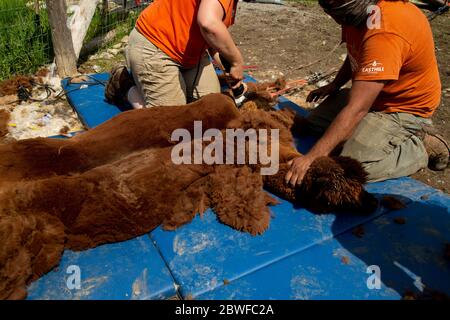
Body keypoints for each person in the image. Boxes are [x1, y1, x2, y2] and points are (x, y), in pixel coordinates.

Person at [286, 0, 449, 186]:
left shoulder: (385, 31)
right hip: (375, 94)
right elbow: (359, 51)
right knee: (313, 125)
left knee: (351, 166)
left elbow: (357, 108)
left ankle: (421, 148)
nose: (329, 15)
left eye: (331, 11)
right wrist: (335, 84)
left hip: (402, 106)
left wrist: (311, 158)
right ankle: (367, 131)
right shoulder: (361, 13)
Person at [105, 0, 243, 109]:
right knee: (173, 124)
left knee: (211, 106)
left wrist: (228, 67)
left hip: (189, 55)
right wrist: (237, 61)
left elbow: (213, 40)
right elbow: (208, 23)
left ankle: (174, 83)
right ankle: (124, 84)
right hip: (156, 46)